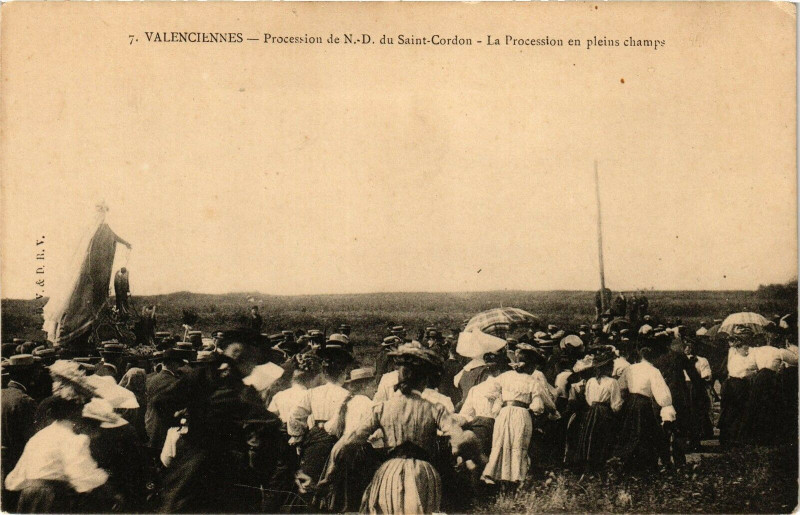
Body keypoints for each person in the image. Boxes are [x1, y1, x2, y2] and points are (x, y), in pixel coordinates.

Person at [319, 343, 479, 515]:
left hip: (389, 473)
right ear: (425, 380)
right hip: (423, 474)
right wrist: (478, 458)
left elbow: (347, 443)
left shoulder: (381, 408)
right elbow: (462, 439)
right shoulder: (435, 409)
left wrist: (328, 477)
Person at [151, 328, 274, 512]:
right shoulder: (242, 392)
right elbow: (267, 426)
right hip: (223, 467)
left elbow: (161, 403)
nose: (253, 368)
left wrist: (184, 422)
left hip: (193, 460)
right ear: (241, 358)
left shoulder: (200, 376)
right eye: (253, 362)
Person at [481, 344, 557, 486]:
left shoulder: (505, 376)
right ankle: (516, 478)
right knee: (518, 444)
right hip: (521, 414)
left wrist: (500, 400)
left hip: (504, 413)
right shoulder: (532, 381)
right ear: (529, 366)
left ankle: (496, 477)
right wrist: (553, 411)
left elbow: (489, 392)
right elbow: (543, 403)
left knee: (501, 443)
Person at [288, 343, 354, 502]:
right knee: (334, 491)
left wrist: (299, 439)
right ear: (344, 373)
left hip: (315, 443)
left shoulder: (312, 393)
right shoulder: (349, 395)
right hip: (338, 444)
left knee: (308, 488)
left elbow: (295, 417)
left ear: (324, 373)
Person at [315, 367, 381, 513]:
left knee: (343, 495)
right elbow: (374, 434)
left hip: (343, 451)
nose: (376, 390)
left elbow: (330, 428)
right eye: (373, 385)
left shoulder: (346, 403)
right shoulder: (368, 404)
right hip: (361, 453)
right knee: (360, 495)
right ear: (364, 386)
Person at [615, 347, 676, 472]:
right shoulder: (653, 371)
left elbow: (621, 386)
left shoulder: (630, 368)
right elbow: (662, 395)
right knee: (645, 433)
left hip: (630, 402)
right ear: (654, 358)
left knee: (630, 432)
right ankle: (644, 464)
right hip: (643, 404)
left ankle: (628, 463)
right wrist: (667, 407)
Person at [574, 350, 622, 472]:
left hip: (592, 411)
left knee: (590, 436)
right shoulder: (613, 382)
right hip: (605, 412)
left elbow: (589, 399)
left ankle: (589, 465)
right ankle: (602, 466)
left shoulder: (590, 381)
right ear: (607, 368)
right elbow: (616, 404)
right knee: (604, 437)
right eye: (611, 366)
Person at [1, 355, 37, 509]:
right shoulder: (24, 401)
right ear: (27, 374)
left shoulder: (3, 394)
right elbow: (33, 440)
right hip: (17, 465)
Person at [717, 330, 757, 448]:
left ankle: (727, 438)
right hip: (738, 386)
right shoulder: (740, 358)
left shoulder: (734, 356)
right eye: (745, 348)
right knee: (737, 411)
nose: (747, 351)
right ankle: (734, 439)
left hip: (732, 384)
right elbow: (745, 372)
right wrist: (753, 372)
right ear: (740, 347)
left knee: (729, 411)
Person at [144, 349, 183, 452]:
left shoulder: (150, 379)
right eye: (178, 364)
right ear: (173, 364)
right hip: (165, 427)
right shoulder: (175, 382)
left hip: (150, 423)